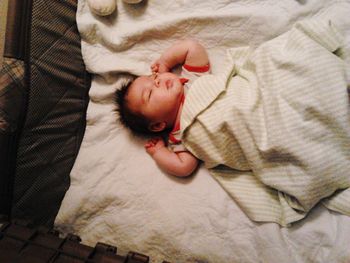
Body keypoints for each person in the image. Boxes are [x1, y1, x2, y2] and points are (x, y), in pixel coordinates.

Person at [115, 39, 210, 177]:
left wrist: (165, 62)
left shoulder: (192, 80)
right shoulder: (180, 136)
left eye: (153, 78)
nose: (157, 81)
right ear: (158, 125)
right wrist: (159, 152)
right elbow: (184, 167)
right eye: (150, 93)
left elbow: (192, 48)